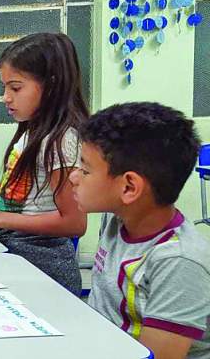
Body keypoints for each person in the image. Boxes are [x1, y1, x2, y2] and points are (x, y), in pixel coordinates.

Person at [70, 102, 210, 359]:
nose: (73, 178)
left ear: (129, 188)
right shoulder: (119, 220)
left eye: (85, 170)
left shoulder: (178, 261)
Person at [0, 33, 88, 295]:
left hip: (43, 262)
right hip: (18, 245)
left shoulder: (61, 140)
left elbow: (74, 222)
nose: (6, 97)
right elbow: (41, 185)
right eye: (4, 87)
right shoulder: (34, 130)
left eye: (15, 88)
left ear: (51, 85)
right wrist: (1, 188)